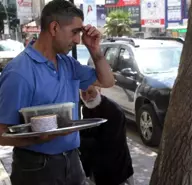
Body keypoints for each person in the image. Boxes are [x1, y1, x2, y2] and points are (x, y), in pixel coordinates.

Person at [0, 0, 114, 184]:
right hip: (36, 167)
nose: (78, 40)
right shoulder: (19, 73)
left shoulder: (68, 63)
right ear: (54, 28)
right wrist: (40, 138)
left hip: (72, 160)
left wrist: (95, 50)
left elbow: (107, 81)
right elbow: (2, 135)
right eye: (75, 32)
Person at [79, 85, 134, 185]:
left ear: (99, 90)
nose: (87, 97)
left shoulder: (114, 112)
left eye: (90, 92)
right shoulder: (87, 108)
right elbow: (86, 133)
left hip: (117, 173)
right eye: (83, 94)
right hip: (96, 172)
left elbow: (107, 144)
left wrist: (76, 140)